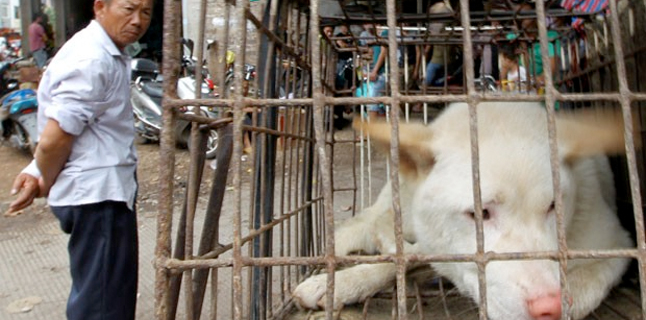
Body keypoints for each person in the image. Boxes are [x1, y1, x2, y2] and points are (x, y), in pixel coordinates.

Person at [7, 0, 153, 318]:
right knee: (102, 305)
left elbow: (72, 130)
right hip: (98, 197)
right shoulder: (92, 59)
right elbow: (54, 139)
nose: (138, 20)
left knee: (104, 293)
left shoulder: (106, 51)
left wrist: (36, 171)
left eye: (146, 12)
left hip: (103, 191)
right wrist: (43, 175)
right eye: (129, 9)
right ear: (100, 7)